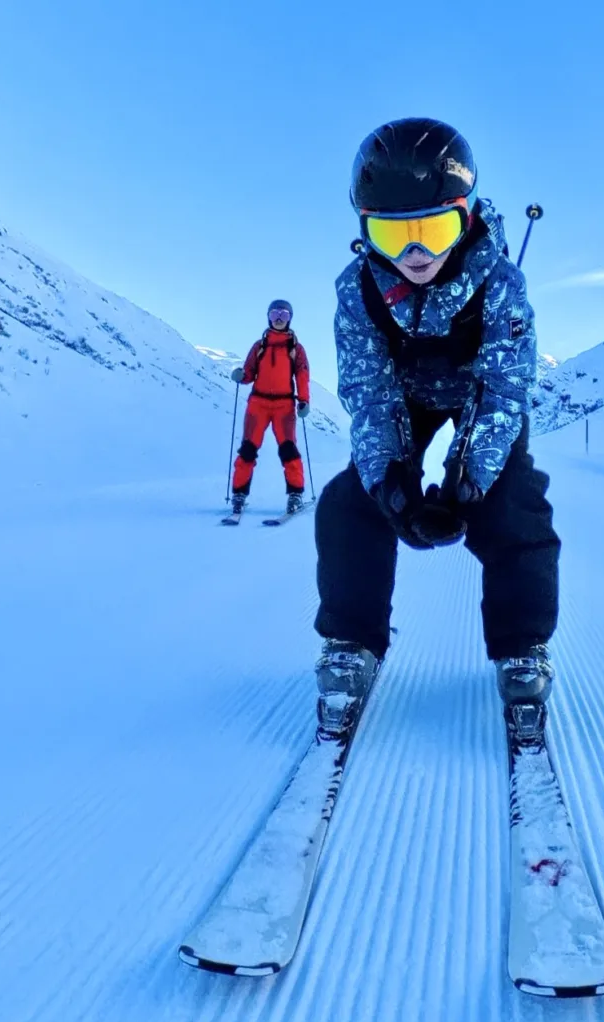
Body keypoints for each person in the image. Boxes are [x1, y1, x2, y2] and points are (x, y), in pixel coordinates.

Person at [313, 118, 561, 706]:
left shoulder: (500, 282)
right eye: (393, 236)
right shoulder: (359, 291)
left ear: (466, 216)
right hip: (406, 397)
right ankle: (351, 641)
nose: (416, 253)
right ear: (365, 229)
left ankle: (522, 645)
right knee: (353, 501)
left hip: (479, 395)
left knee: (514, 501)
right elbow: (368, 391)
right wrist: (391, 481)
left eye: (434, 229)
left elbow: (503, 387)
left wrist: (467, 481)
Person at [229, 299, 311, 517]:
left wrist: (304, 400)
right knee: (248, 449)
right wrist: (241, 376)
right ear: (268, 317)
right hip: (258, 404)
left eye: (284, 315)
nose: (279, 319)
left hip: (284, 405)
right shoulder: (260, 346)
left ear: (290, 319)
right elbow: (249, 372)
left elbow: (302, 375)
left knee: (288, 449)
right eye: (275, 314)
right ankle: (239, 495)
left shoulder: (296, 348)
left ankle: (295, 494)